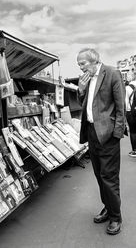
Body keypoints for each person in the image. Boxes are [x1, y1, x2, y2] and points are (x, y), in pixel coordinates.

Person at [77, 48, 125, 235]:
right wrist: (81, 90)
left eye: (83, 63)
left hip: (108, 135)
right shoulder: (87, 79)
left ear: (94, 61)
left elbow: (120, 106)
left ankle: (116, 216)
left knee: (109, 177)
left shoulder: (112, 73)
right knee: (99, 175)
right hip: (92, 132)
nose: (80, 68)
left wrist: (117, 133)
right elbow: (85, 104)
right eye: (79, 64)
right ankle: (108, 207)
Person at [125, 77, 136, 157]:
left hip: (131, 113)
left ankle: (134, 151)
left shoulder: (128, 88)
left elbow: (125, 103)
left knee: (133, 132)